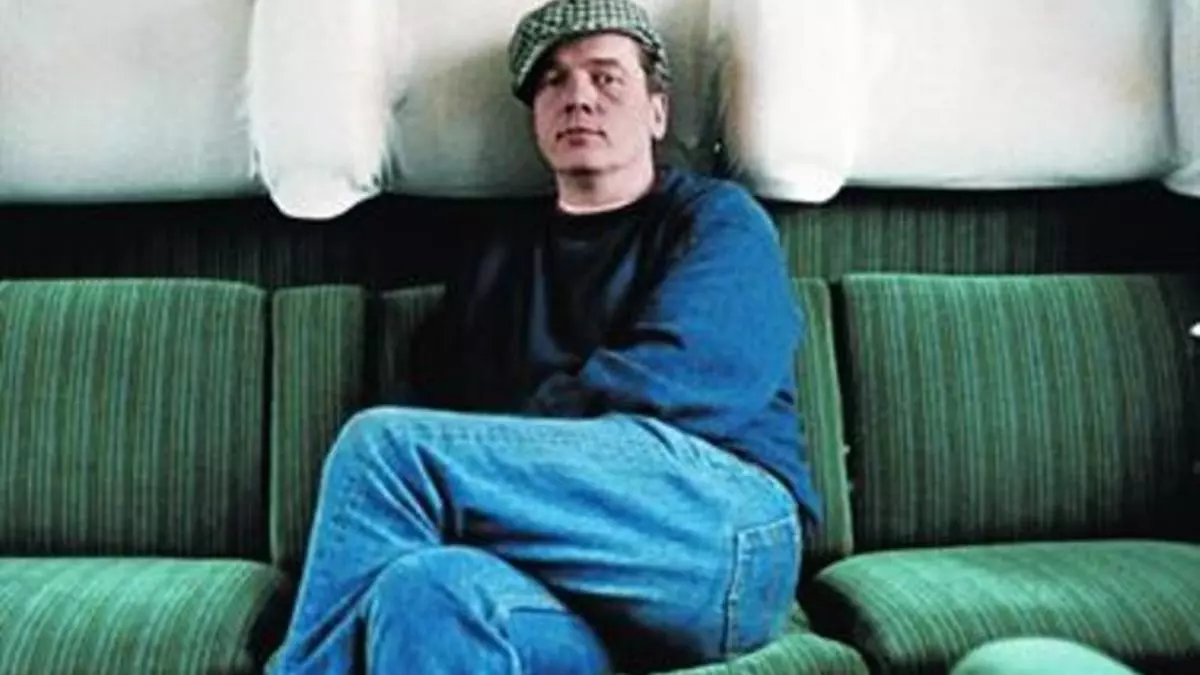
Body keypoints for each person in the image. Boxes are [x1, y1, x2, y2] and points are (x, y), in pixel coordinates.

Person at [267, 0, 822, 672]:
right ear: (534, 118)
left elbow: (685, 384)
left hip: (720, 539)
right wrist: (491, 466)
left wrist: (499, 457)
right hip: (563, 588)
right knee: (423, 592)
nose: (578, 97)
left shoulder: (718, 221)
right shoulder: (494, 263)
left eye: (606, 77)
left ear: (657, 111)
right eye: (553, 81)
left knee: (383, 450)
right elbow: (450, 417)